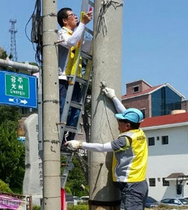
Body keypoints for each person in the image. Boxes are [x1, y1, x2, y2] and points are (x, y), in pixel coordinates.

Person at [65, 87, 148, 210]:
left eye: (120, 121)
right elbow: (124, 112)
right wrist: (113, 97)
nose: (117, 122)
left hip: (131, 186)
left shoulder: (125, 140)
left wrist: (80, 144)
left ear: (127, 125)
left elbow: (102, 147)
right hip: (139, 184)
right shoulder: (138, 132)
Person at [57, 7, 92, 140]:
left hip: (76, 79)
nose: (76, 17)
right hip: (64, 78)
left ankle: (69, 140)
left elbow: (86, 48)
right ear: (65, 20)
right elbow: (70, 43)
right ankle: (59, 138)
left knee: (76, 111)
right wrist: (82, 24)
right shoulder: (61, 33)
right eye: (72, 15)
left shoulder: (77, 35)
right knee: (64, 110)